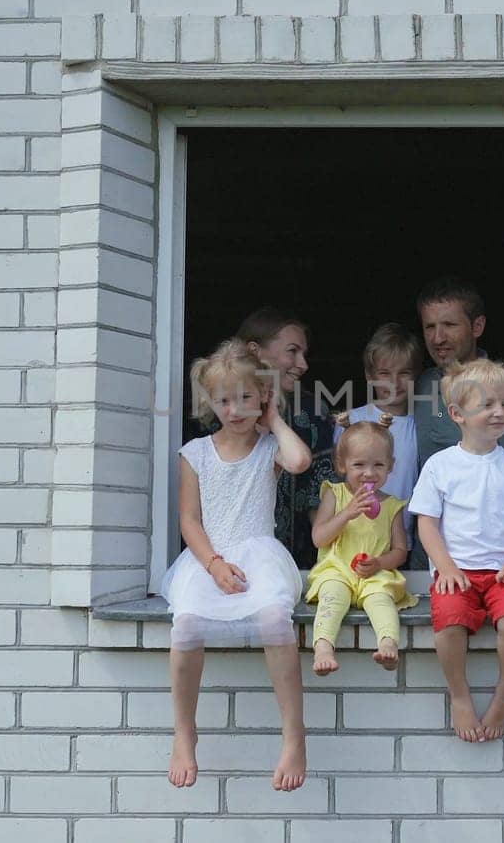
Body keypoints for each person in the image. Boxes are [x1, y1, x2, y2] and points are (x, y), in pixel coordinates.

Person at [161, 339, 309, 792]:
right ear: (211, 402)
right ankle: (185, 732)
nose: (236, 409)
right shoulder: (196, 452)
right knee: (185, 625)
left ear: (262, 396)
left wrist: (276, 420)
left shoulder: (269, 448)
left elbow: (301, 461)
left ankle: (293, 736)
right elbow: (189, 519)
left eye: (247, 397)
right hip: (209, 558)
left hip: (259, 554)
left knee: (272, 618)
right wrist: (213, 564)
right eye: (225, 400)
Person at [408, 358, 504, 744]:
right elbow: (427, 523)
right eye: (487, 405)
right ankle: (460, 696)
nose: (499, 412)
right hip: (458, 573)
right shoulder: (441, 466)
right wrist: (445, 567)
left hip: (503, 574)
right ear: (457, 413)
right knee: (449, 626)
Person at [411, 277, 504, 571]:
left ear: (477, 327)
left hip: (495, 578)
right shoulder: (421, 385)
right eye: (430, 327)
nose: (438, 338)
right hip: (429, 575)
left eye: (449, 325)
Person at [308, 421, 418, 676]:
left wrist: (380, 563)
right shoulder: (334, 494)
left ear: (391, 466)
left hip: (374, 574)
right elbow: (319, 538)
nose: (369, 473)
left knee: (382, 602)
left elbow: (400, 551)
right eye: (359, 465)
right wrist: (347, 513)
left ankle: (388, 644)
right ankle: (323, 648)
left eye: (378, 465)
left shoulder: (392, 506)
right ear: (341, 465)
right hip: (337, 570)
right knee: (332, 598)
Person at [236, 308, 339, 568]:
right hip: (232, 562)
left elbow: (322, 492)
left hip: (300, 564)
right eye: (292, 351)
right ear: (254, 351)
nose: (303, 364)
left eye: (303, 354)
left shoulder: (314, 410)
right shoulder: (223, 410)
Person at [333, 322, 423, 544]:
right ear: (369, 375)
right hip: (354, 537)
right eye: (385, 373)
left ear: (416, 375)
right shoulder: (350, 420)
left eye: (404, 373)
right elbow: (337, 480)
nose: (394, 382)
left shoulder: (420, 425)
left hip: (400, 540)